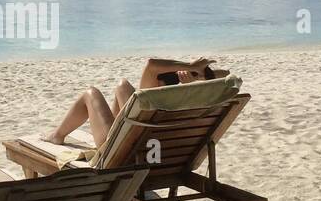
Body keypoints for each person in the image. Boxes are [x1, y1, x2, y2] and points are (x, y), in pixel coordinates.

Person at [45, 56, 219, 148]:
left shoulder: (151, 97)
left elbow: (152, 64)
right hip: (157, 150)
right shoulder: (186, 100)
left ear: (157, 82)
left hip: (121, 151)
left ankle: (57, 135)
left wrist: (190, 66)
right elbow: (225, 75)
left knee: (90, 94)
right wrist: (201, 76)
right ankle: (58, 135)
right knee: (123, 86)